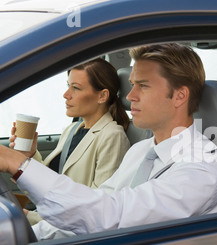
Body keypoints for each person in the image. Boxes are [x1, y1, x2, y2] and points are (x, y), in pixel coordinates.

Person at [0, 43, 217, 239]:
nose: (130, 96)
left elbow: (112, 215)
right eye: (132, 84)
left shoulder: (200, 168)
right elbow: (96, 205)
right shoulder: (141, 151)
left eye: (143, 85)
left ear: (180, 96)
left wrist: (19, 165)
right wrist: (32, 237)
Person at [10, 58, 131, 226]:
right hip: (48, 218)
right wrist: (28, 156)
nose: (66, 94)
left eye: (76, 88)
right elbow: (53, 181)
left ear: (102, 96)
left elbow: (98, 210)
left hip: (68, 230)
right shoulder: (72, 130)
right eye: (68, 85)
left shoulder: (112, 136)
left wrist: (29, 217)